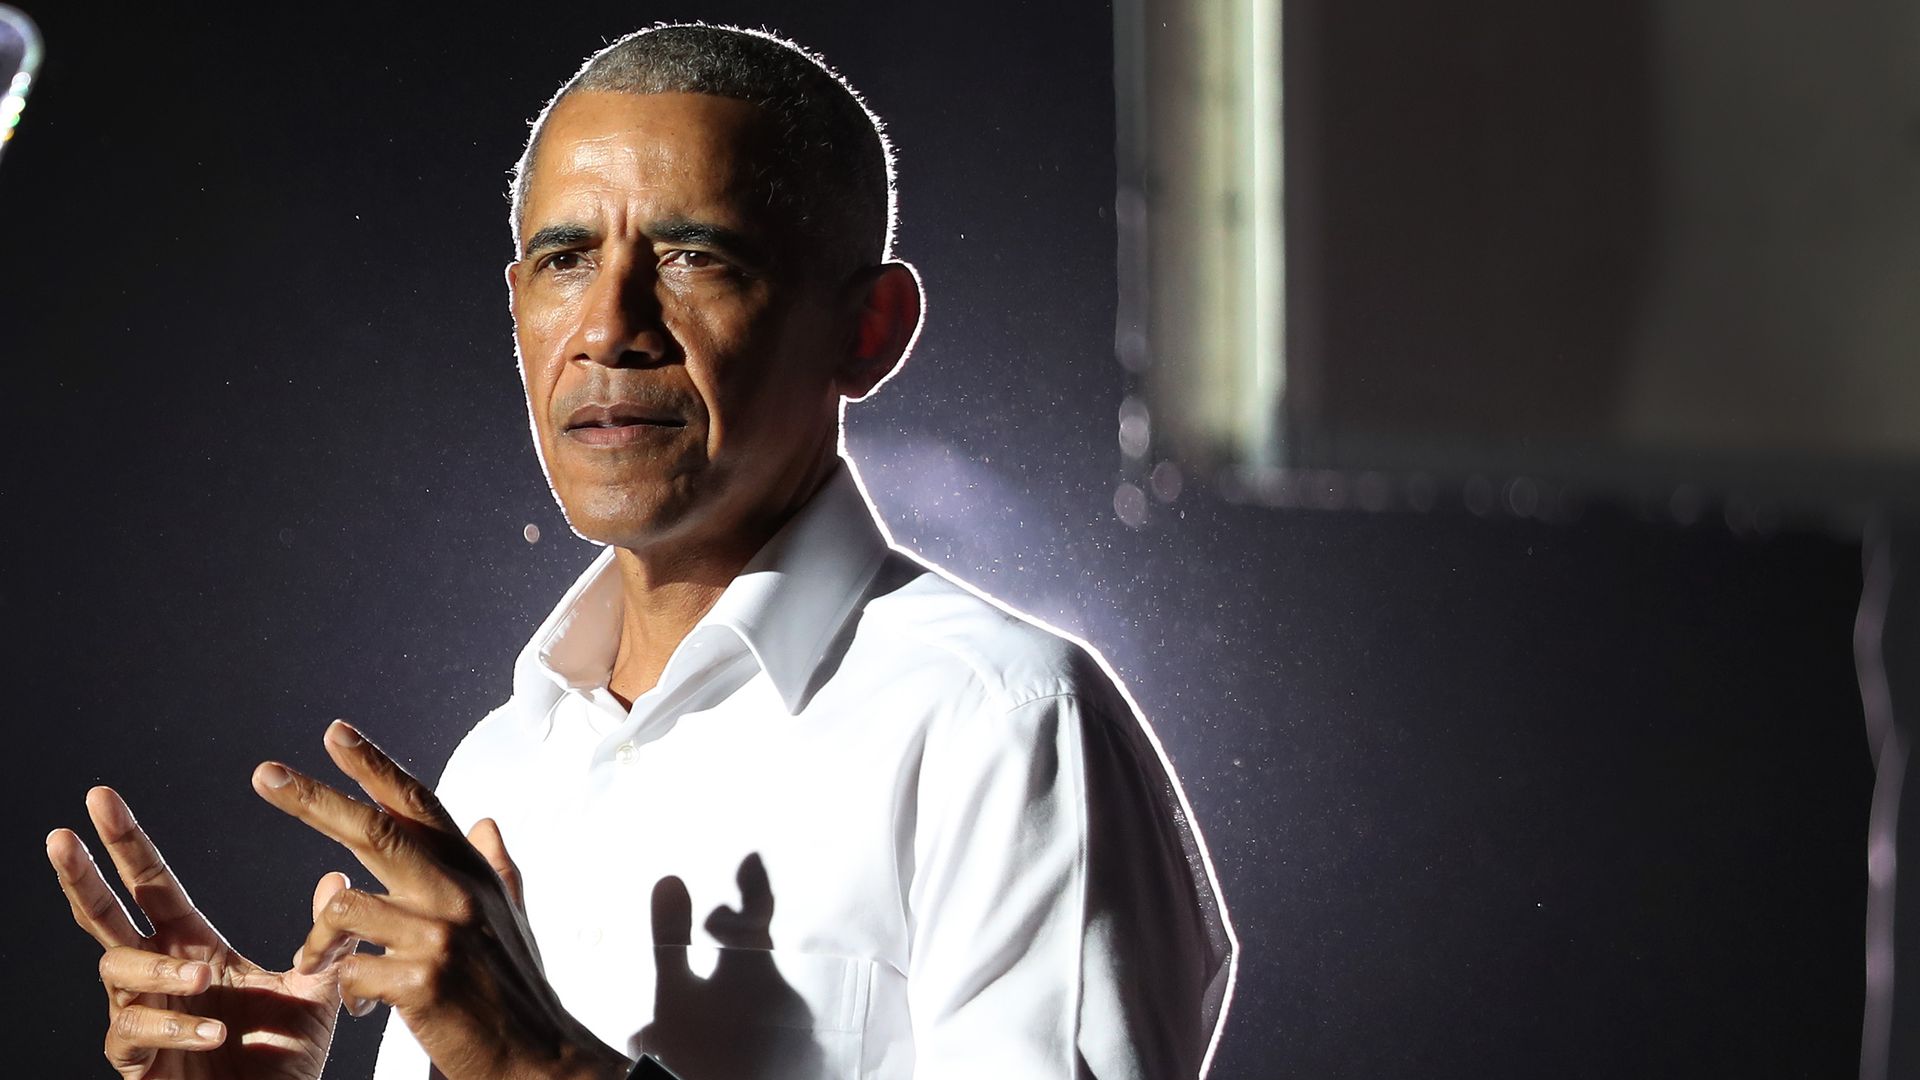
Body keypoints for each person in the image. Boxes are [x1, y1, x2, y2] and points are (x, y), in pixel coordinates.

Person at [45, 23, 1235, 1080]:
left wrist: (542, 1071)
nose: (610, 325)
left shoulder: (1006, 725)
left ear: (867, 332)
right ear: (517, 312)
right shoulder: (499, 770)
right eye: (565, 260)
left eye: (692, 255)